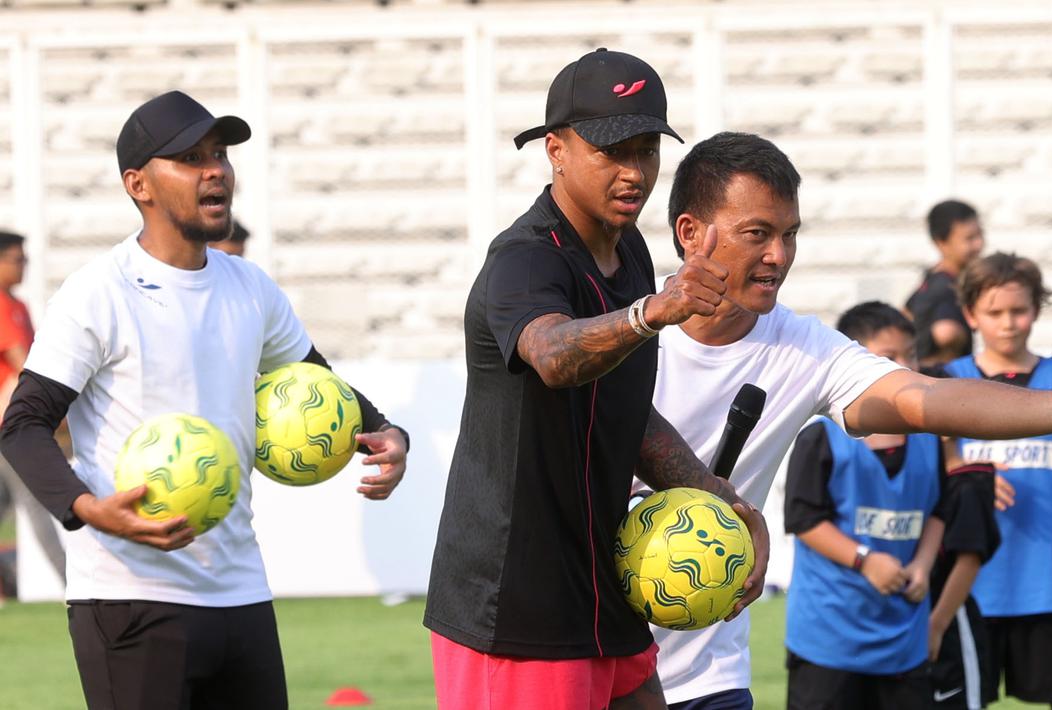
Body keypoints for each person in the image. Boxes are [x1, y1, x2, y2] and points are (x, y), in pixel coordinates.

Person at [639, 131, 1052, 710]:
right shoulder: (622, 334)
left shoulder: (802, 347)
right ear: (690, 234)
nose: (780, 255)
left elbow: (924, 398)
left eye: (790, 234)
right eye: (758, 234)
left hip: (711, 676)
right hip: (600, 658)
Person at [0, 90, 409, 710]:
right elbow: (23, 425)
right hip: (129, 596)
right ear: (139, 184)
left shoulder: (250, 286)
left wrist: (383, 429)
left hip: (240, 592)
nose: (215, 169)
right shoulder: (96, 293)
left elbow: (316, 378)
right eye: (190, 157)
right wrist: (89, 508)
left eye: (219, 153)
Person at [422, 51, 770, 710]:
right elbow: (553, 355)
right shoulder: (523, 260)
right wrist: (650, 313)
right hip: (517, 610)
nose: (633, 171)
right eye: (611, 151)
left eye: (645, 150)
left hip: (603, 591)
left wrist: (715, 494)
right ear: (555, 149)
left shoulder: (629, 249)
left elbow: (619, 407)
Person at [783, 302, 999, 710]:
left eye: (910, 355)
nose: (904, 367)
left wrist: (921, 563)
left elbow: (938, 508)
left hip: (903, 636)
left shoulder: (928, 436)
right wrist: (866, 560)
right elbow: (804, 520)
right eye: (888, 358)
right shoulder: (821, 436)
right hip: (830, 637)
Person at [948, 252, 1052, 709]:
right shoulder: (948, 382)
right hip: (972, 584)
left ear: (1036, 309)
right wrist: (967, 477)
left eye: (1018, 310)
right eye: (994, 313)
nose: (1008, 323)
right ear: (971, 314)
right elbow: (937, 462)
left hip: (1047, 578)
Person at [0, 231, 67, 593]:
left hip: (14, 420)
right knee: (35, 501)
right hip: (9, 425)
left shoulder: (18, 306)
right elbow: (23, 364)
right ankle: (72, 585)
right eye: (16, 259)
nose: (23, 266)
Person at [905, 199, 984, 368]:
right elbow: (946, 332)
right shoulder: (948, 287)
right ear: (941, 243)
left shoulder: (930, 278)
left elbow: (904, 314)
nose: (979, 244)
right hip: (944, 380)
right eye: (969, 239)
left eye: (980, 235)